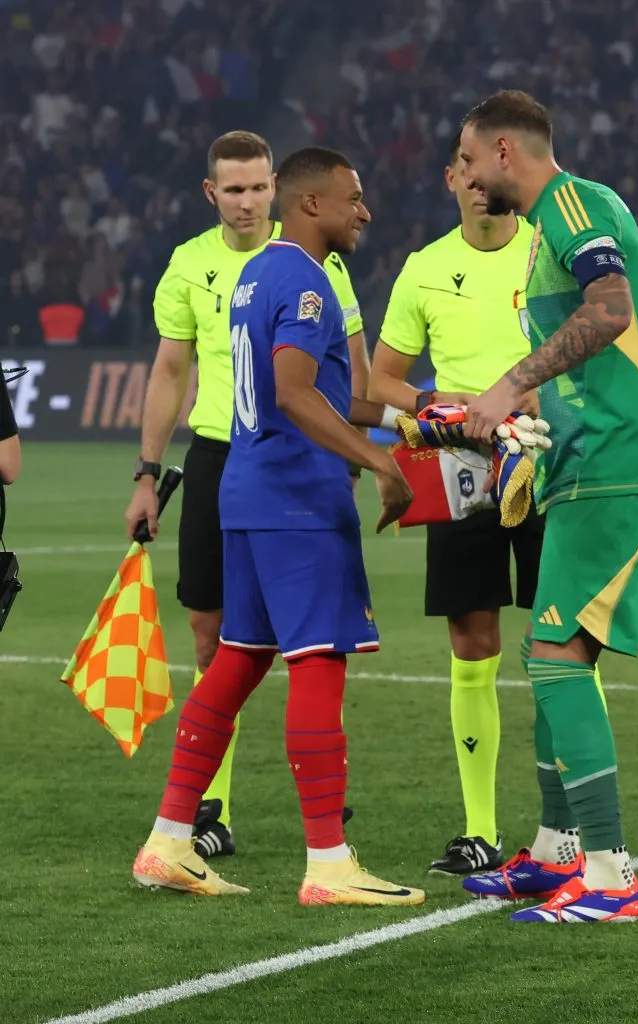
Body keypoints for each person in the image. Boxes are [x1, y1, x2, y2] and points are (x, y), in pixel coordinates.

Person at [132, 146, 424, 908]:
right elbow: (297, 395)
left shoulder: (259, 272)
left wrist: (427, 414)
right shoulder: (306, 280)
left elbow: (334, 392)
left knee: (236, 660)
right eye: (353, 198)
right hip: (298, 499)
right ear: (313, 205)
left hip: (247, 492)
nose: (364, 211)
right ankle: (328, 862)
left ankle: (169, 839)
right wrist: (382, 464)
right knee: (320, 661)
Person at [457, 90, 638, 923]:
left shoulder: (572, 203)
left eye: (473, 158)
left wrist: (514, 381)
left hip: (619, 466)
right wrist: (523, 417)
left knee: (554, 659)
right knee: (555, 654)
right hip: (585, 464)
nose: (468, 175)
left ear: (507, 150)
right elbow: (592, 352)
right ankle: (558, 856)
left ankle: (611, 875)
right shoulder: (557, 223)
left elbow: (610, 310)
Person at [369, 131, 544, 876]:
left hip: (545, 462)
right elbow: (381, 380)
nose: (478, 185)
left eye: (486, 171)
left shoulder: (546, 251)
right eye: (464, 173)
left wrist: (534, 396)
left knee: (563, 643)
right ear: (449, 179)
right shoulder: (425, 267)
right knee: (472, 645)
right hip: (463, 473)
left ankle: (570, 830)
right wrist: (437, 402)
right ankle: (480, 831)